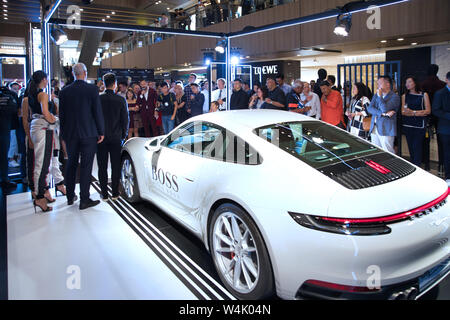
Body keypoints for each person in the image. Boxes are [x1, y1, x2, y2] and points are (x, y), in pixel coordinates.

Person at [59, 63, 105, 210]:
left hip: (71, 134)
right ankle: (84, 199)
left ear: (73, 73)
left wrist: (64, 135)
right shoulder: (92, 89)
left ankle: (70, 196)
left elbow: (62, 116)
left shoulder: (64, 91)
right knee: (86, 166)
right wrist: (101, 131)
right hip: (89, 133)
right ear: (84, 73)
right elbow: (97, 112)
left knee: (71, 164)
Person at [27, 71, 56, 212]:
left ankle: (41, 193)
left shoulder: (31, 95)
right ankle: (39, 197)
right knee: (42, 163)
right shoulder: (42, 94)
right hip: (43, 128)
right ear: (44, 79)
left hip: (36, 127)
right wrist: (54, 120)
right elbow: (45, 112)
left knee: (41, 162)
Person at [97, 73, 129, 201]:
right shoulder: (121, 100)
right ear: (115, 84)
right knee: (116, 165)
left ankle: (104, 194)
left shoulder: (98, 99)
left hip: (101, 137)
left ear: (104, 84)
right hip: (116, 137)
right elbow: (125, 120)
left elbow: (94, 118)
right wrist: (123, 135)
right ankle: (115, 193)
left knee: (102, 166)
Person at [401, 76, 431, 167]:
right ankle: (413, 166)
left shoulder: (423, 95)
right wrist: (419, 113)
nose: (407, 84)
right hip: (408, 125)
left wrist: (413, 112)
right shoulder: (404, 96)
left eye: (409, 82)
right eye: (406, 82)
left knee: (417, 147)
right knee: (410, 148)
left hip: (419, 126)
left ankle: (417, 166)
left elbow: (428, 111)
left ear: (415, 83)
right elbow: (403, 112)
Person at [421, 64, 446, 172]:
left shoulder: (423, 84)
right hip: (440, 117)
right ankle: (442, 164)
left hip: (426, 116)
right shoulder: (442, 85)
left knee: (425, 141)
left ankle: (426, 164)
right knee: (441, 142)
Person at [367, 76, 400, 154]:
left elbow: (385, 108)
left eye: (380, 83)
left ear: (388, 84)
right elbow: (370, 108)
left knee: (388, 151)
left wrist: (380, 97)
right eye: (377, 84)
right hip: (374, 127)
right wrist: (382, 114)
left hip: (386, 128)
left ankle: (391, 166)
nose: (378, 86)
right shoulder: (376, 95)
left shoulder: (394, 97)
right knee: (376, 152)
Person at [432, 71, 450, 186]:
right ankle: (448, 176)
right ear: (447, 80)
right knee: (447, 153)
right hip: (445, 129)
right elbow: (435, 110)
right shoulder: (440, 93)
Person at [0, 84, 19, 191]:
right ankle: (4, 178)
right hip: (5, 128)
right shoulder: (9, 96)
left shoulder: (8, 95)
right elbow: (15, 110)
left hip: (6, 128)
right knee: (4, 152)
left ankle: (4, 178)